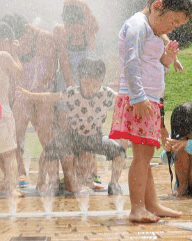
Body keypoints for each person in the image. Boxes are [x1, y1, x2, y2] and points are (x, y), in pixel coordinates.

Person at [110, 0, 191, 223]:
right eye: (173, 21)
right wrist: (138, 97)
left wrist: (166, 60)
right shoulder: (137, 25)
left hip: (148, 100)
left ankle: (152, 204)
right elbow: (131, 62)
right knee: (142, 158)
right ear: (157, 6)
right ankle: (137, 208)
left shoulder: (150, 29)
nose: (172, 28)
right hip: (140, 100)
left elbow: (152, 67)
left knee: (146, 157)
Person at [20, 56, 127, 195]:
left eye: (96, 85)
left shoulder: (107, 94)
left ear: (102, 80)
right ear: (79, 78)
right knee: (51, 149)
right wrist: (30, 95)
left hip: (95, 137)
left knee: (119, 152)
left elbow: (125, 102)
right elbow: (51, 96)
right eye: (86, 83)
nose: (90, 89)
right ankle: (53, 182)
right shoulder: (73, 93)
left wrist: (142, 101)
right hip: (74, 136)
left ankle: (114, 183)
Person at [4, 13, 61, 192]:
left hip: (43, 92)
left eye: (21, 37)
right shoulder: (12, 43)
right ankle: (20, 175)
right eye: (16, 38)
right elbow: (12, 73)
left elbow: (52, 67)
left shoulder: (45, 38)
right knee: (13, 133)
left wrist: (39, 90)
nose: (19, 41)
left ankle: (49, 177)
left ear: (28, 28)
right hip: (22, 93)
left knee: (46, 135)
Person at [0, 22, 24, 198]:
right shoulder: (3, 55)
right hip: (1, 110)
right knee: (9, 152)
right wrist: (15, 53)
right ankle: (13, 186)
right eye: (12, 43)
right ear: (4, 42)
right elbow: (19, 72)